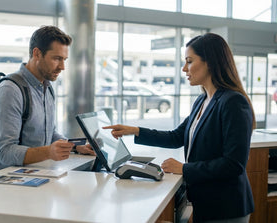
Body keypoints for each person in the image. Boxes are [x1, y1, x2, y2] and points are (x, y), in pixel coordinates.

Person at [103, 33, 255, 223]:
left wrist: (185, 168)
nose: (184, 68)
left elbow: (234, 164)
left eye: (189, 61)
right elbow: (176, 137)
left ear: (210, 62)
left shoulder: (233, 102)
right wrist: (135, 131)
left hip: (227, 206)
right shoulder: (202, 100)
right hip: (206, 202)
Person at [0, 25, 95, 173]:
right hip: (7, 182)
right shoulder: (10, 90)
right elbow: (5, 152)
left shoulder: (47, 87)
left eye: (64, 59)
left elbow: (50, 133)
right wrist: (48, 152)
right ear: (37, 54)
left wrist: (75, 147)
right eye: (57, 59)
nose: (62, 67)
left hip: (36, 176)